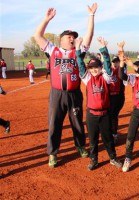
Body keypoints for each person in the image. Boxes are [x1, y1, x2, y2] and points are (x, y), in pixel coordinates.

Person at [33, 3, 97, 168]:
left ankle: (80, 146)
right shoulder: (52, 50)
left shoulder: (79, 51)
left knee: (77, 122)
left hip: (74, 93)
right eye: (69, 36)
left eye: (73, 37)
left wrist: (91, 16)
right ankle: (53, 153)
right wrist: (46, 19)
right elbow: (37, 35)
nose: (72, 38)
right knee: (54, 124)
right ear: (61, 40)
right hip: (57, 94)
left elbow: (89, 36)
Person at [76, 37, 122, 171]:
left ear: (100, 68)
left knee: (108, 139)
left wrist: (103, 49)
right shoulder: (87, 78)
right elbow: (80, 63)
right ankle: (94, 159)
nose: (94, 69)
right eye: (91, 68)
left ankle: (113, 158)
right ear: (89, 69)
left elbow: (108, 65)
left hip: (105, 114)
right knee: (93, 140)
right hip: (91, 115)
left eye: (96, 67)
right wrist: (78, 48)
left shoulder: (105, 77)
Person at [108, 41, 126, 144]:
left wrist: (121, 50)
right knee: (109, 116)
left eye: (117, 61)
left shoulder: (121, 70)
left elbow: (122, 60)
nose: (115, 63)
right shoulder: (108, 70)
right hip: (109, 97)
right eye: (113, 61)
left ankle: (114, 134)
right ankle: (110, 133)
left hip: (118, 97)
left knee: (113, 115)